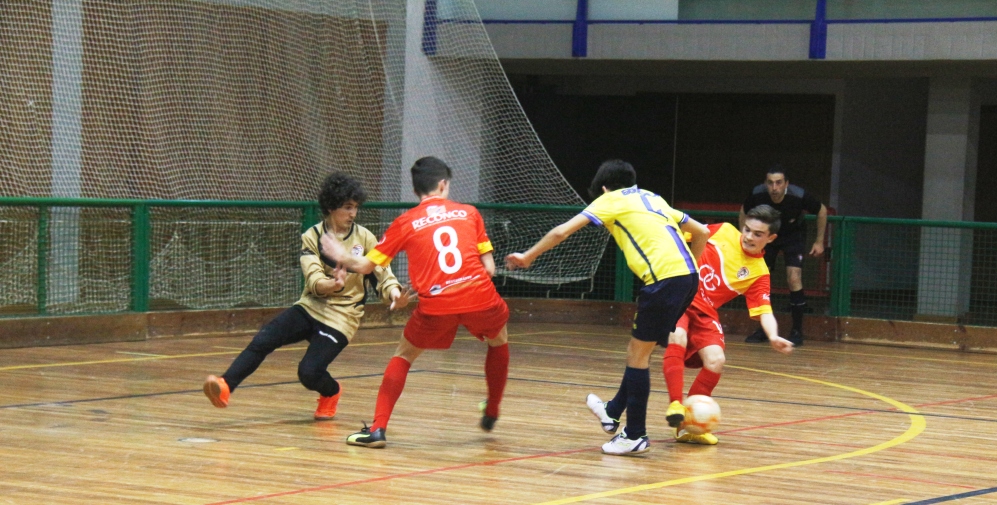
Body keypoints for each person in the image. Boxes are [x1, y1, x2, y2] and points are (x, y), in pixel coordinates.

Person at [506, 159, 709, 456]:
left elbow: (562, 231)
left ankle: (635, 436)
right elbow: (702, 231)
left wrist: (529, 256)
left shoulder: (610, 200)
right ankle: (612, 412)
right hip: (688, 279)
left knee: (637, 356)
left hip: (664, 281)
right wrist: (688, 270)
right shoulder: (652, 197)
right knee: (640, 352)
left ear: (603, 187)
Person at [320, 156, 510, 449]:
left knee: (404, 355)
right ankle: (493, 409)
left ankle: (378, 429)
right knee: (498, 340)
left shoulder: (405, 222)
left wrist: (341, 255)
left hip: (437, 304)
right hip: (479, 295)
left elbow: (367, 266)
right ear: (443, 185)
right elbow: (489, 269)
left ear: (416, 191)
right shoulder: (469, 213)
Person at [202, 172, 411, 420]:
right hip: (310, 306)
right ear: (332, 207)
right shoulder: (312, 236)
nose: (353, 213)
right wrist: (331, 284)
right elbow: (313, 280)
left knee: (308, 372)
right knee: (264, 339)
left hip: (342, 317)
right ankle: (226, 386)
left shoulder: (365, 237)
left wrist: (395, 295)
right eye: (347, 207)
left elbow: (382, 274)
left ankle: (331, 392)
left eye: (355, 207)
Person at [663, 205, 795, 445]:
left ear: (771, 238)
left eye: (758, 234)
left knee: (716, 360)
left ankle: (687, 425)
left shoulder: (759, 273)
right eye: (747, 229)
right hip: (682, 296)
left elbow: (765, 311)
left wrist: (774, 336)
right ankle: (675, 404)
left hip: (705, 311)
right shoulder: (723, 231)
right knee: (677, 336)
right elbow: (688, 235)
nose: (749, 237)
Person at [740, 166, 827, 347]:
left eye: (779, 183)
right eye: (770, 183)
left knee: (794, 277)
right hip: (767, 238)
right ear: (766, 184)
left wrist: (819, 241)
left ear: (786, 184)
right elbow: (743, 211)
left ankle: (796, 330)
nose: (774, 187)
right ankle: (763, 329)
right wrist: (744, 237)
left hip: (793, 236)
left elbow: (822, 210)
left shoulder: (798, 195)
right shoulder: (757, 194)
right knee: (761, 278)